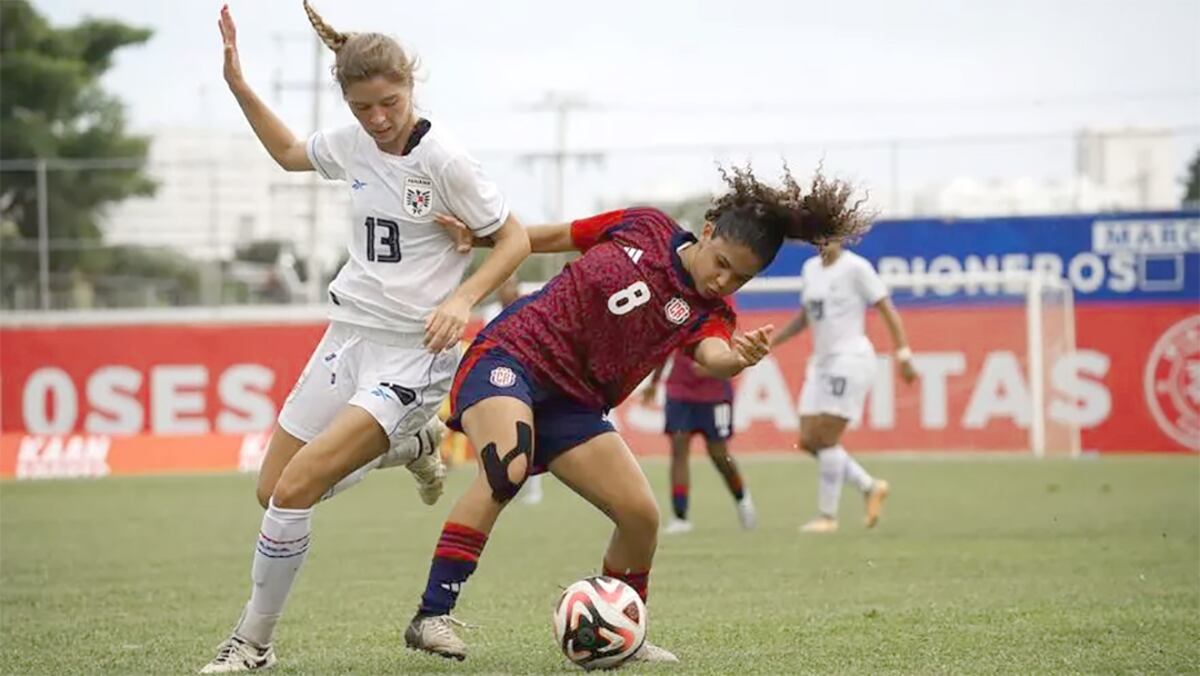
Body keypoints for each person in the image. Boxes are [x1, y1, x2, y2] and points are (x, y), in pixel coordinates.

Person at [404, 164, 872, 663]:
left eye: (741, 277)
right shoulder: (644, 226)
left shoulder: (711, 312)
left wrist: (737, 357)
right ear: (707, 231)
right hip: (512, 355)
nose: (723, 280)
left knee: (641, 516)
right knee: (508, 469)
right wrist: (479, 237)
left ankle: (623, 631)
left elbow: (712, 356)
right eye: (721, 263)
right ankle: (431, 616)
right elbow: (558, 235)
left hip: (575, 402)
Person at [202, 3, 530, 672]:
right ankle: (414, 443)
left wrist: (463, 297)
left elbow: (515, 238)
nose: (378, 119)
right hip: (348, 334)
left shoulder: (446, 161)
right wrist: (238, 85)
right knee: (272, 492)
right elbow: (292, 153)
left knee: (295, 493)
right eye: (363, 108)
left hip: (414, 351)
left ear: (411, 85)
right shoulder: (351, 144)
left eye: (389, 102)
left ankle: (252, 645)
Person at [770, 240, 916, 533]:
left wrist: (903, 354)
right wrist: (772, 342)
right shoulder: (809, 268)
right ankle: (870, 486)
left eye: (831, 233)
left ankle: (828, 516)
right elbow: (806, 317)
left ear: (842, 236)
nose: (825, 240)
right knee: (808, 439)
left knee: (825, 436)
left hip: (849, 359)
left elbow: (886, 308)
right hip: (821, 362)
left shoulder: (856, 268)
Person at [642, 348, 755, 534]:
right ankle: (680, 516)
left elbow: (736, 354)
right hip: (680, 392)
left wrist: (716, 368)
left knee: (719, 454)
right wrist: (654, 382)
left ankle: (742, 498)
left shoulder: (720, 320)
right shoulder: (677, 319)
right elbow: (664, 348)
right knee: (679, 450)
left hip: (715, 395)